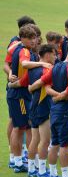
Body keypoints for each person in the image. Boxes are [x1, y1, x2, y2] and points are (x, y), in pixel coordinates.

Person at [29, 40, 68, 177]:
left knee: (54, 143)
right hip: (66, 111)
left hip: (54, 110)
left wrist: (32, 88)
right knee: (65, 144)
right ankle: (66, 175)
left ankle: (53, 173)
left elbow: (44, 84)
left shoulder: (55, 67)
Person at [9, 44, 57, 177]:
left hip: (33, 107)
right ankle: (42, 171)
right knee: (45, 140)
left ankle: (31, 169)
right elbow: (44, 88)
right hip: (44, 107)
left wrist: (10, 84)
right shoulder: (47, 70)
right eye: (54, 54)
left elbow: (23, 84)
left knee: (35, 139)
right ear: (47, 55)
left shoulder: (32, 70)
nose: (55, 57)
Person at [4, 16, 36, 168]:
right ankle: (17, 161)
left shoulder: (16, 47)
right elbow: (24, 64)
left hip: (21, 93)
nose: (34, 41)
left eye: (35, 38)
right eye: (31, 38)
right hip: (20, 95)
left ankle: (20, 159)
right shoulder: (23, 50)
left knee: (25, 126)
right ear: (22, 37)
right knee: (20, 127)